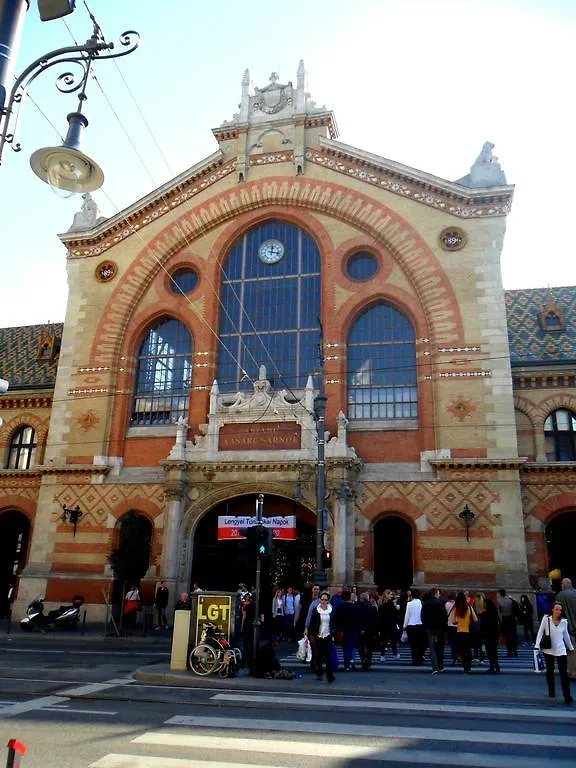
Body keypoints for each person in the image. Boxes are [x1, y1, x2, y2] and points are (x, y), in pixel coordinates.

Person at [535, 602, 574, 704]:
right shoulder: (546, 619)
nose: (558, 611)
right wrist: (537, 645)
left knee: (564, 673)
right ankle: (551, 690)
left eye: (560, 610)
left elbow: (566, 636)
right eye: (556, 609)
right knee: (550, 670)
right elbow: (540, 632)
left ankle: (567, 695)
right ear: (552, 610)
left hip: (561, 650)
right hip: (548, 649)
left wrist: (571, 648)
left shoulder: (564, 622)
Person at [308, 591, 335, 682]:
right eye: (322, 599)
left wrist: (332, 633)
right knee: (318, 656)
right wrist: (313, 633)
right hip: (319, 636)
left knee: (328, 657)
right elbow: (312, 623)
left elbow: (334, 623)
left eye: (325, 600)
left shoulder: (331, 610)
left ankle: (329, 675)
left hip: (328, 636)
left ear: (328, 601)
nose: (323, 601)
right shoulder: (316, 610)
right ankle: (319, 672)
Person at [449, 591, 478, 673]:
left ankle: (465, 666)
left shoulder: (456, 608)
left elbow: (453, 621)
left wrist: (459, 622)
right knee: (468, 650)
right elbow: (475, 619)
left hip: (460, 631)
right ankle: (469, 666)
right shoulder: (469, 607)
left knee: (462, 650)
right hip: (468, 631)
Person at [421, 587, 447, 674]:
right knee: (440, 648)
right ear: (435, 594)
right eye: (438, 593)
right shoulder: (440, 603)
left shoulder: (425, 603)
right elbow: (444, 616)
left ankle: (434, 667)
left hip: (429, 628)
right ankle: (441, 666)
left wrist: (425, 625)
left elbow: (422, 616)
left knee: (432, 648)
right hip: (440, 629)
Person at [333, 589, 359, 671]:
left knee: (346, 647)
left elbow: (337, 619)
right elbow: (358, 619)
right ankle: (352, 660)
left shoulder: (340, 607)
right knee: (353, 647)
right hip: (354, 629)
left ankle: (347, 665)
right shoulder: (354, 607)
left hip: (344, 630)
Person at [556, 578, 576, 681]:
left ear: (564, 585)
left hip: (568, 626)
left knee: (571, 650)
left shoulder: (560, 595)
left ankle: (573, 672)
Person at [403, 588, 426, 665]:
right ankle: (420, 657)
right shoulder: (422, 603)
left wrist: (404, 625)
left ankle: (414, 658)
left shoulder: (409, 604)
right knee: (420, 643)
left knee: (413, 644)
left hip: (411, 625)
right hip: (420, 625)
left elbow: (407, 615)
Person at [357, 592, 378, 670]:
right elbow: (376, 621)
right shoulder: (373, 608)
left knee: (361, 646)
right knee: (369, 648)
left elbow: (359, 620)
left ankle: (363, 658)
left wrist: (362, 628)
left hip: (362, 631)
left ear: (362, 599)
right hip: (371, 631)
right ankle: (368, 662)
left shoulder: (359, 608)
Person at [480, 598, 501, 674]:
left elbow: (482, 625)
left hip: (487, 635)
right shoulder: (495, 613)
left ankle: (492, 666)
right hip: (494, 634)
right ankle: (497, 666)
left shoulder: (484, 614)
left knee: (489, 651)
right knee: (494, 651)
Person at [378, 590, 400, 660]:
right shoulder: (390, 603)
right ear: (387, 595)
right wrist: (396, 607)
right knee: (393, 640)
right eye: (390, 594)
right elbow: (395, 614)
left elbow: (380, 615)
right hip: (391, 624)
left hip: (383, 624)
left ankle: (382, 655)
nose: (392, 596)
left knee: (384, 640)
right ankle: (395, 654)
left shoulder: (381, 603)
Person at [497, 588, 518, 657]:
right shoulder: (511, 600)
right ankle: (515, 651)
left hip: (504, 619)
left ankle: (509, 651)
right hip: (512, 619)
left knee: (507, 636)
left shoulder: (499, 601)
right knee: (513, 635)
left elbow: (499, 612)